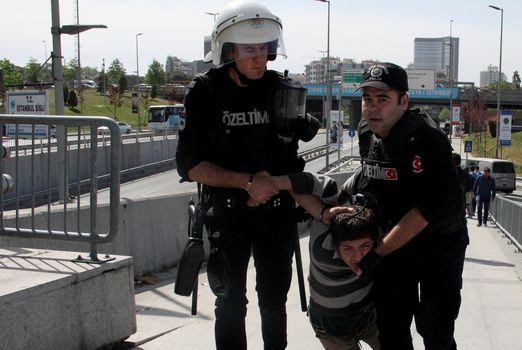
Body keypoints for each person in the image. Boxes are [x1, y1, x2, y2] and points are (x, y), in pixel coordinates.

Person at [174, 1, 316, 348]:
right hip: (228, 212)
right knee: (230, 302)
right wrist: (248, 182)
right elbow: (190, 166)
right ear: (228, 49)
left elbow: (300, 139)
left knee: (273, 302)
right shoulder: (206, 93)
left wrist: (270, 185)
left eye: (265, 48)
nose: (259, 57)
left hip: (276, 213)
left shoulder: (281, 88)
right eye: (250, 48)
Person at [343, 62, 468, 349]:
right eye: (367, 100)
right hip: (396, 240)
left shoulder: (425, 141)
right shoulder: (366, 132)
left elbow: (424, 211)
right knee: (391, 324)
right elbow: (369, 185)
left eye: (383, 100)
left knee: (434, 326)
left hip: (440, 241)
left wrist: (379, 252)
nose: (373, 108)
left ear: (404, 101)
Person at [267, 172, 381, 350]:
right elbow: (310, 181)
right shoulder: (322, 249)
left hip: (369, 316)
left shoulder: (379, 238)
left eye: (365, 246)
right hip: (331, 328)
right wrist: (268, 181)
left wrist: (338, 200)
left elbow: (327, 186)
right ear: (335, 244)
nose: (358, 256)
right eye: (348, 248)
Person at [453, 153, 475, 218]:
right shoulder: (467, 175)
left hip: (449, 205)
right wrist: (468, 203)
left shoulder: (447, 174)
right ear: (460, 162)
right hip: (462, 204)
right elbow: (469, 191)